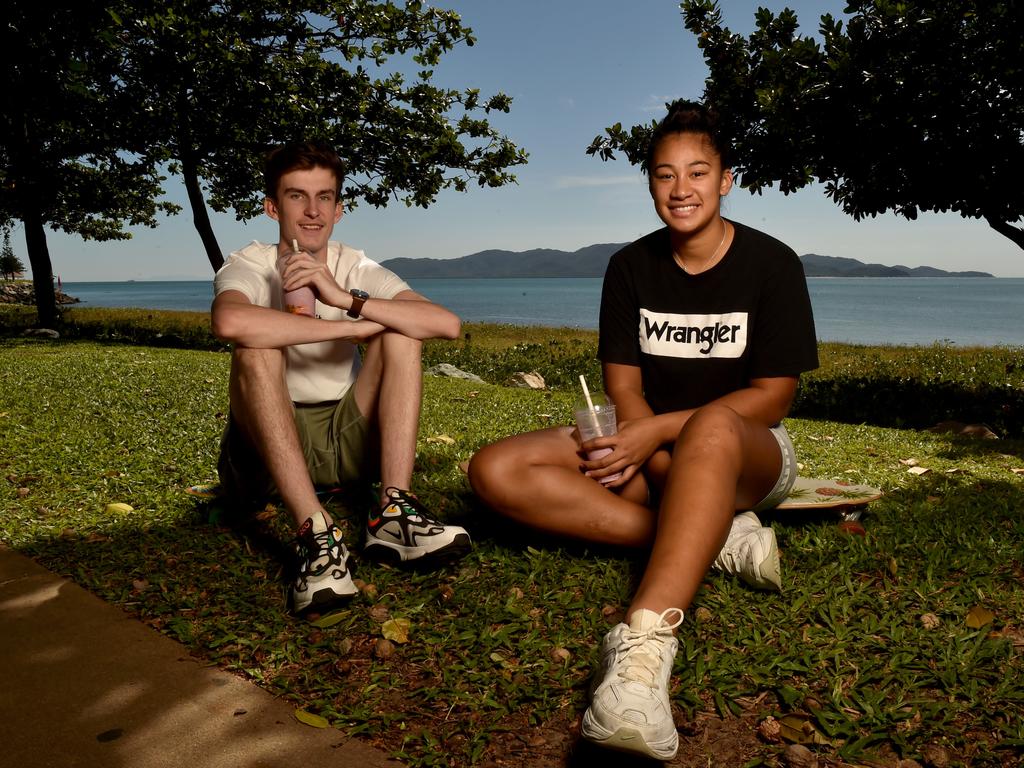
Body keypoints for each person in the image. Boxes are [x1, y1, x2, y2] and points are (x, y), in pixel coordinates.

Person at [467, 100, 818, 760]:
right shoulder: (630, 267)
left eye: (697, 172)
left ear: (726, 179)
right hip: (651, 443)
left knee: (712, 425)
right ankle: (707, 536)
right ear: (651, 184)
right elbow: (622, 385)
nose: (680, 189)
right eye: (664, 174)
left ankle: (643, 654)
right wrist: (636, 435)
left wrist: (654, 433)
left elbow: (772, 399)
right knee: (495, 470)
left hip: (751, 454)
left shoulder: (773, 264)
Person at [211, 140, 471, 618]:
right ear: (273, 207)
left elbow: (445, 324)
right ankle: (316, 533)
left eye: (324, 197)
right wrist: (349, 328)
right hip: (268, 453)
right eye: (296, 196)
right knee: (255, 348)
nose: (312, 212)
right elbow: (229, 323)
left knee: (404, 333)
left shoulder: (356, 265)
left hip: (348, 439)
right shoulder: (251, 263)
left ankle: (394, 511)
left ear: (339, 208)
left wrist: (342, 296)